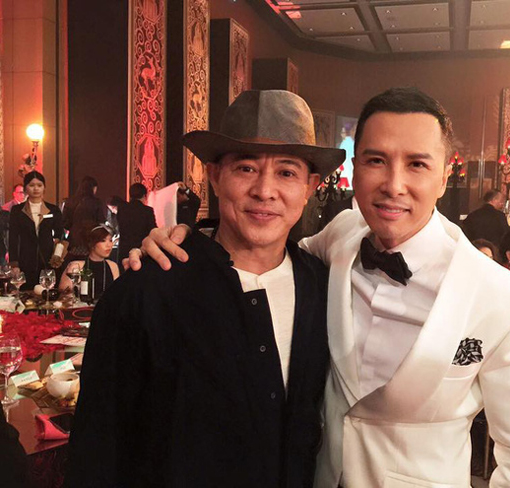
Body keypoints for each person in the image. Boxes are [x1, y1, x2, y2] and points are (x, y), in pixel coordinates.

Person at [134, 87, 510, 487]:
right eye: (376, 160)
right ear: (355, 169)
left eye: (417, 164)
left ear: (445, 176)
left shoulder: (505, 300)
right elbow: (266, 250)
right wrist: (185, 238)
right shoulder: (339, 238)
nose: (393, 185)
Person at [65, 90, 344, 487]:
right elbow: (97, 447)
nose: (265, 191)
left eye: (286, 173)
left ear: (310, 186)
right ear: (215, 176)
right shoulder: (146, 291)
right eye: (246, 168)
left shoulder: (323, 287)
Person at [9, 171, 64, 289]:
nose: (36, 189)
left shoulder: (53, 210)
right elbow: (13, 237)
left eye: (39, 185)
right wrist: (14, 263)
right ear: (25, 188)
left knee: (47, 292)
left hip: (48, 258)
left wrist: (57, 255)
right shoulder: (17, 210)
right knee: (26, 292)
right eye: (32, 185)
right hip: (25, 258)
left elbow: (60, 235)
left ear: (44, 187)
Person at [59, 225, 119, 301]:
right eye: (103, 241)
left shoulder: (113, 266)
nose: (109, 245)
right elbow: (64, 294)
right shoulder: (77, 266)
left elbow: (117, 294)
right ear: (92, 244)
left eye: (110, 240)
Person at [63, 176, 108, 259]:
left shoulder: (70, 201)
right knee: (89, 262)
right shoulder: (96, 202)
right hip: (91, 239)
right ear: (93, 188)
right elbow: (101, 221)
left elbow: (65, 223)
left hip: (74, 240)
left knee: (75, 263)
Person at [116, 183, 157, 264]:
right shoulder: (147, 211)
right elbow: (153, 230)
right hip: (141, 249)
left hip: (124, 249)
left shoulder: (122, 209)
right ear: (144, 196)